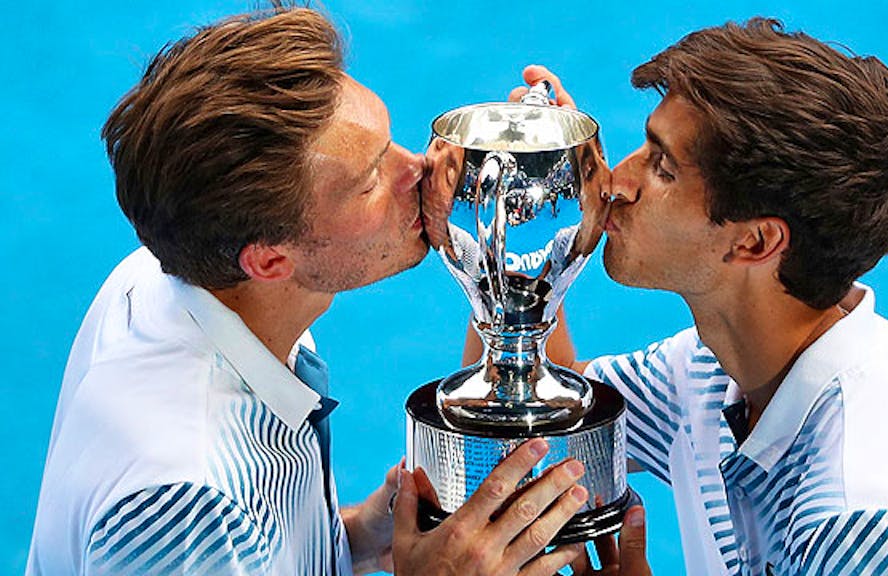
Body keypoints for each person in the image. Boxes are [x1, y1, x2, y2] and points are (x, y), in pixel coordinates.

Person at [27, 6, 592, 575]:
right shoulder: (188, 500)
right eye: (370, 179)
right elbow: (215, 538)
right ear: (271, 258)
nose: (417, 168)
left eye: (390, 142)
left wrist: (360, 534)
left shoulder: (171, 283)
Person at [496, 18, 888, 575]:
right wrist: (533, 212)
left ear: (756, 240)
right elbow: (529, 428)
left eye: (662, 167)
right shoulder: (708, 374)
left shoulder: (857, 525)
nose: (617, 182)